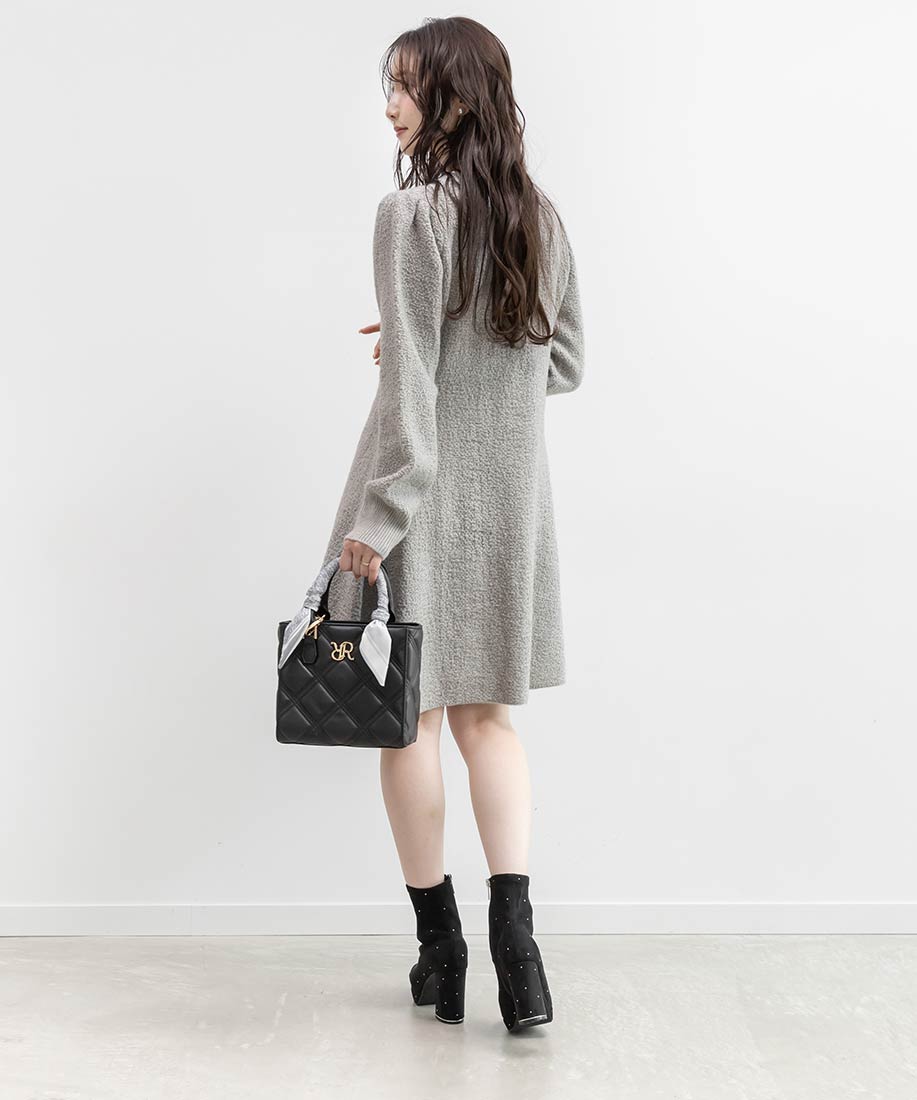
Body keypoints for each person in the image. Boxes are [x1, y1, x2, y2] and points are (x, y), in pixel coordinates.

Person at [320, 17, 585, 1031]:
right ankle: (521, 956)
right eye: (386, 85)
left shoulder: (409, 215)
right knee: (489, 722)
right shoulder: (540, 218)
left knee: (413, 720)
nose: (389, 105)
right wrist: (446, 351)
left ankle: (442, 949)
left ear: (457, 97)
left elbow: (412, 402)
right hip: (511, 505)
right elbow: (562, 363)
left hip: (420, 504)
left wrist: (375, 520)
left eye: (405, 86)